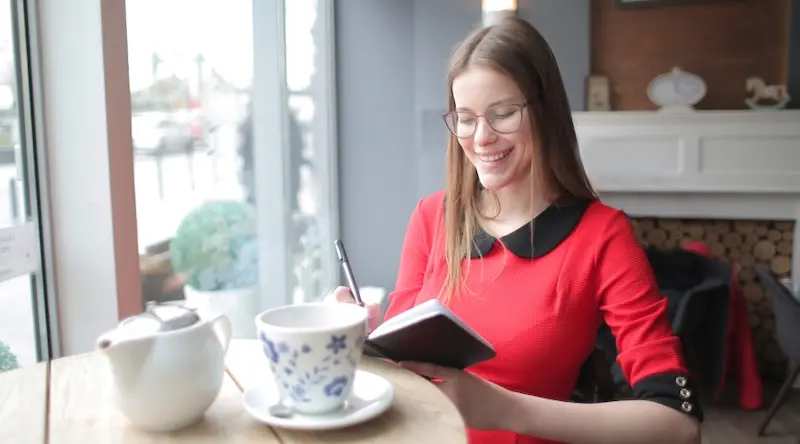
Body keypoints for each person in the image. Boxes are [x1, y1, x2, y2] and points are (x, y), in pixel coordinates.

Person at [328, 17, 702, 444]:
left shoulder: (603, 237)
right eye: (465, 119)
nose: (481, 137)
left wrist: (506, 409)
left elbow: (678, 424)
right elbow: (404, 375)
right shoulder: (432, 217)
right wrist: (356, 341)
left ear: (545, 111)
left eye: (502, 114)